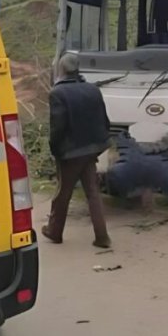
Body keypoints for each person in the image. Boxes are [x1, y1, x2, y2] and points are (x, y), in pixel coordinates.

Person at [43, 53, 113, 248]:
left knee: (63, 192)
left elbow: (58, 127)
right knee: (93, 192)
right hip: (92, 149)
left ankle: (54, 232)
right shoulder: (93, 90)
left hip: (71, 152)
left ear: (62, 70)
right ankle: (102, 236)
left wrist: (55, 149)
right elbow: (104, 120)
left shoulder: (58, 93)